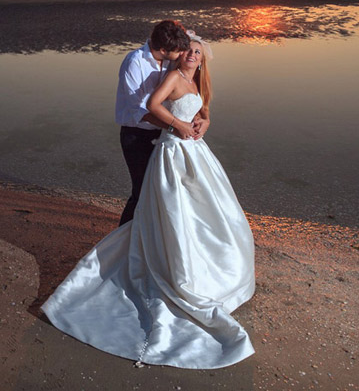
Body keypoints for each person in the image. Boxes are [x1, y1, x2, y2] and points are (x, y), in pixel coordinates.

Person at [42, 31, 255, 369]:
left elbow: (203, 106)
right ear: (176, 52)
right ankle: (132, 257)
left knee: (192, 208)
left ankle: (177, 254)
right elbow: (146, 106)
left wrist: (204, 120)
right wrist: (177, 126)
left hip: (187, 148)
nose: (192, 55)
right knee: (151, 201)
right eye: (188, 50)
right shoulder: (149, 66)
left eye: (197, 52)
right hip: (152, 141)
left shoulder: (191, 75)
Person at [114, 20, 192, 226]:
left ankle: (152, 237)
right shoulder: (134, 62)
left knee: (163, 188)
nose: (182, 54)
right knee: (141, 190)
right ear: (164, 49)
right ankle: (122, 239)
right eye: (178, 51)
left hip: (164, 134)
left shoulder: (170, 59)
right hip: (136, 135)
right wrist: (175, 126)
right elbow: (139, 109)